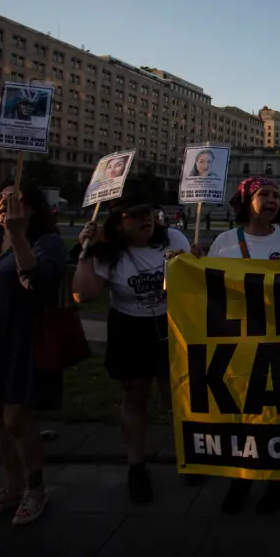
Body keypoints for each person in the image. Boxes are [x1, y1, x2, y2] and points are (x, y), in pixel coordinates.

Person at [71, 185, 191, 504]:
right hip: (130, 328)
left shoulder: (174, 239)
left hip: (171, 325)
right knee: (135, 398)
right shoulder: (109, 250)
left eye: (149, 213)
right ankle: (136, 466)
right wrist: (86, 251)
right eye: (135, 215)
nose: (145, 219)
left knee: (175, 397)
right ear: (118, 222)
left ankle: (187, 456)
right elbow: (84, 294)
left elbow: (198, 281)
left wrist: (188, 263)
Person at [0, 183, 68, 525]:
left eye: (14, 200)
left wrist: (18, 235)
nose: (4, 205)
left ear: (33, 208)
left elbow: (38, 280)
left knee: (16, 419)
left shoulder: (46, 243)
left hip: (24, 339)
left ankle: (35, 489)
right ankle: (11, 487)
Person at [205, 177, 280, 514]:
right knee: (240, 414)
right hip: (238, 342)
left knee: (278, 414)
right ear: (247, 200)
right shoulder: (224, 241)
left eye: (277, 195)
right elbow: (206, 286)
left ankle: (278, 483)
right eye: (265, 194)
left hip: (278, 341)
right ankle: (242, 478)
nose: (273, 200)